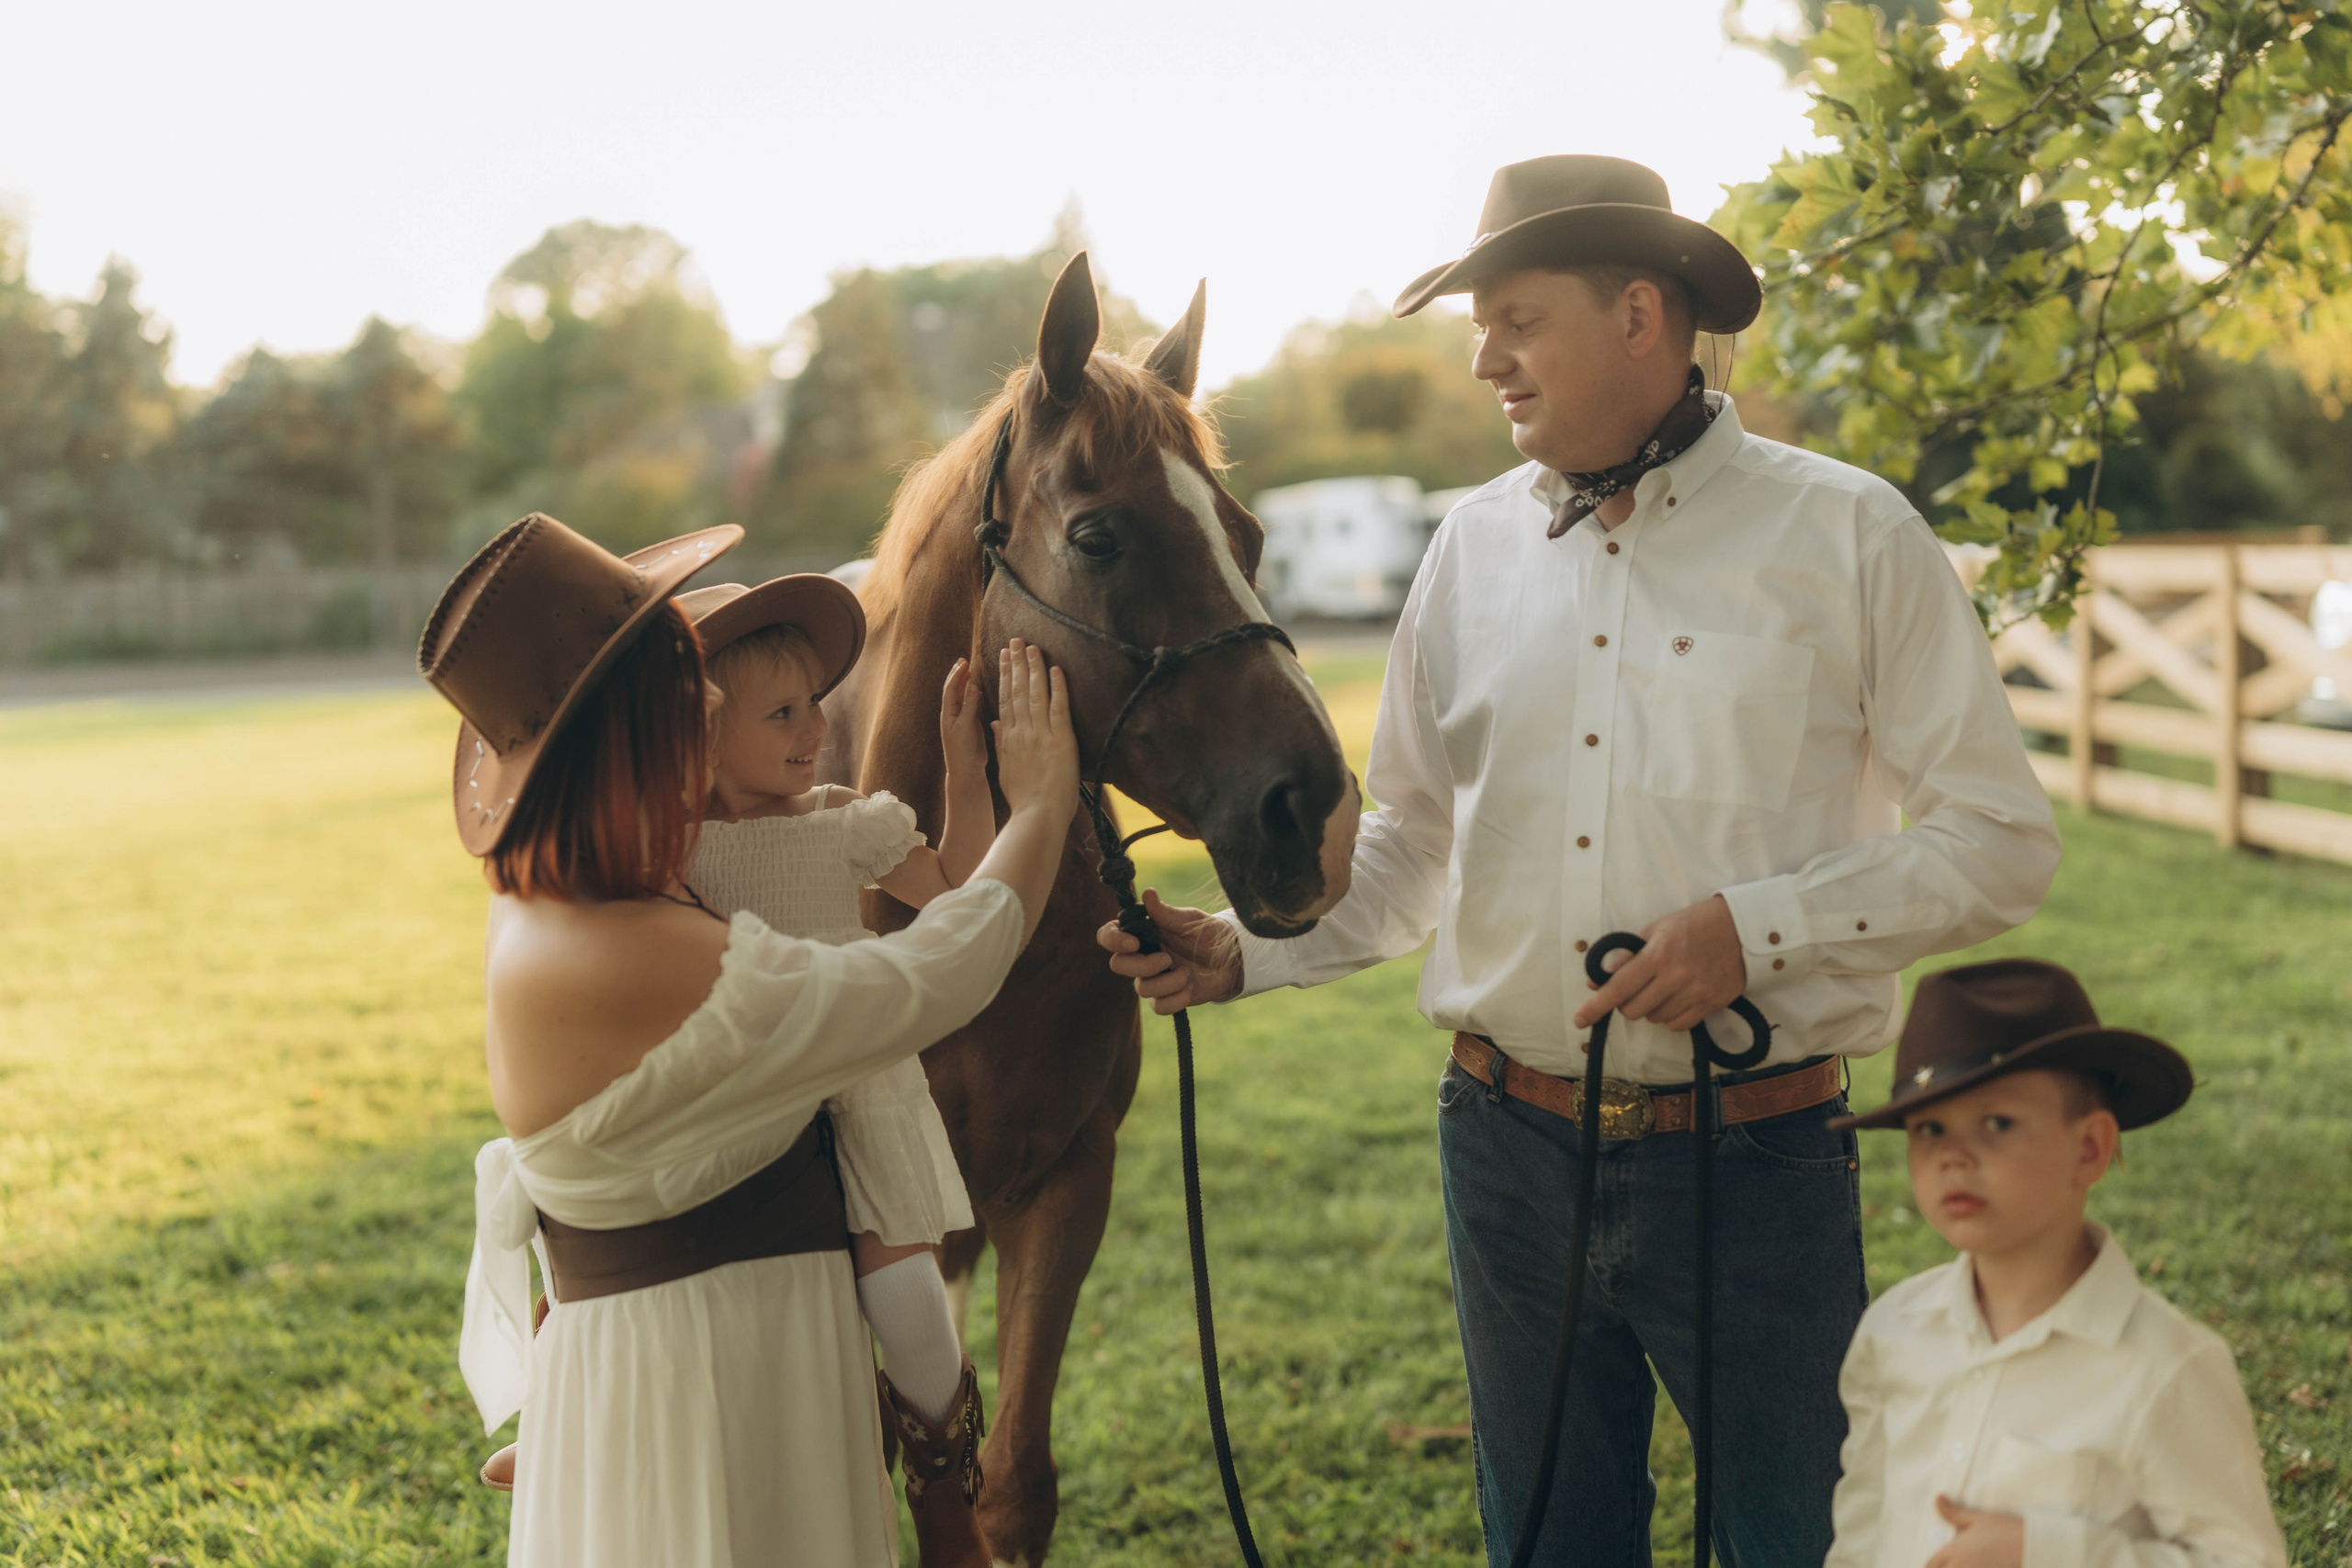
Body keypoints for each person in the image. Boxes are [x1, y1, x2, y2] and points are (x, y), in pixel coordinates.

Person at [1101, 154, 2062, 1566]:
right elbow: (1420, 844)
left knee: (1800, 1539)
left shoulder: (1850, 533)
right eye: (1478, 325)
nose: (1485, 358)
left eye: (1515, 317)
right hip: (1504, 1155)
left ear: (1637, 314)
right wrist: (1245, 951)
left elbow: (2000, 841)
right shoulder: (1469, 549)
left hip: (1759, 1161)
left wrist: (1758, 927)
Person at [431, 513, 1077, 1567]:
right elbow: (928, 976)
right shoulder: (642, 949)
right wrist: (1039, 808)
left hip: (690, 1371)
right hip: (709, 1398)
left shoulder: (570, 898)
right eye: (691, 700)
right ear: (635, 740)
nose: (715, 709)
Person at [1825, 958, 2285, 1568]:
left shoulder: (2164, 1366)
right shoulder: (1894, 1330)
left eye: (1996, 1121)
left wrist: (2046, 1552)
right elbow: (1863, 1526)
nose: (1953, 1156)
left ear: (2090, 1147)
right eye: (1929, 1127)